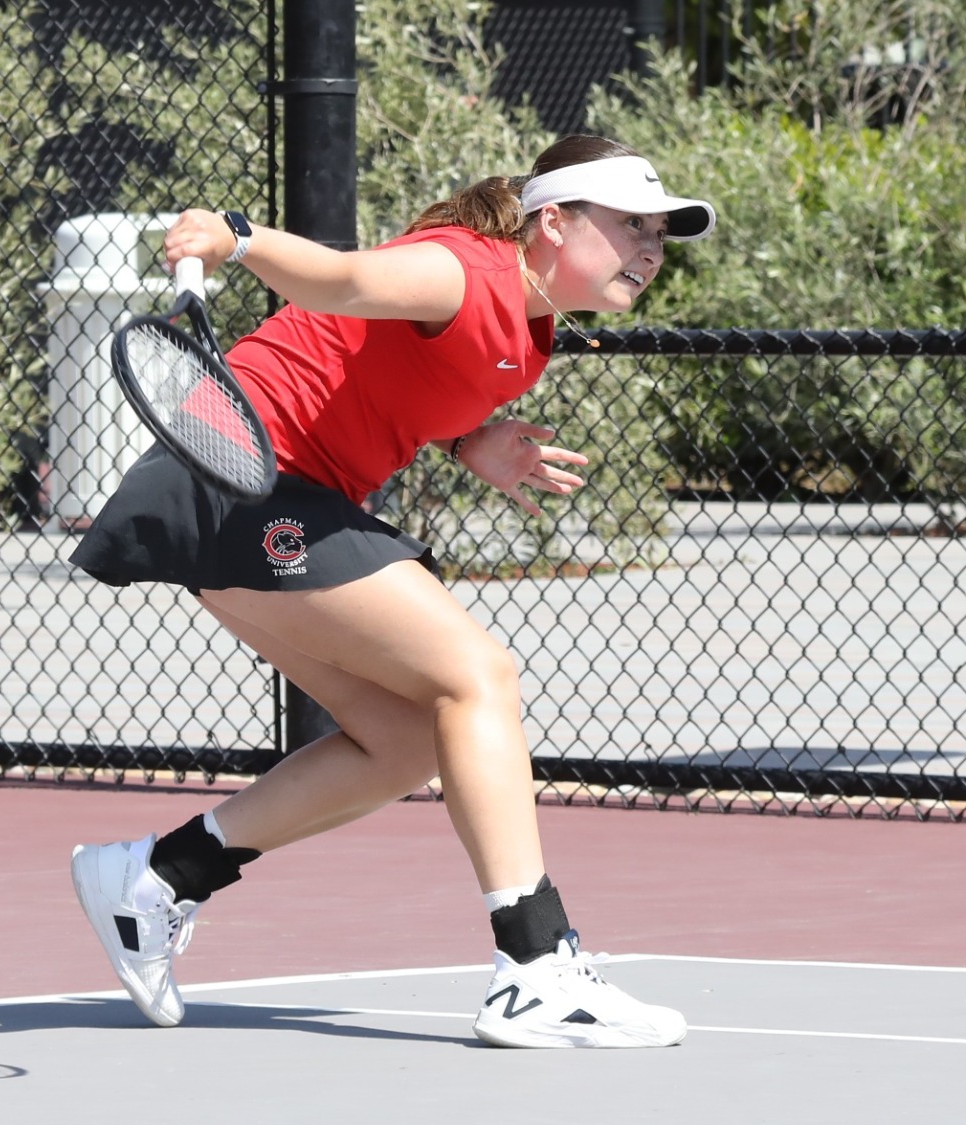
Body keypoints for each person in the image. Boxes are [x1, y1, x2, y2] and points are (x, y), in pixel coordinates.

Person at [66, 134, 715, 1049]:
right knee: (476, 674)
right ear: (555, 222)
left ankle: (157, 878)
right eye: (630, 226)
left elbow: (385, 374)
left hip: (276, 496)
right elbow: (340, 282)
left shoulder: (529, 335)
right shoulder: (460, 271)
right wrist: (238, 237)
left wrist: (470, 440)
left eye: (659, 235)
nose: (649, 250)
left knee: (407, 740)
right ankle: (536, 967)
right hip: (236, 476)